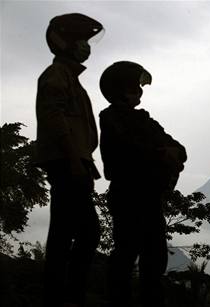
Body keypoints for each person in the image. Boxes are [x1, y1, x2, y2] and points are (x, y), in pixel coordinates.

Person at [99, 61, 187, 307]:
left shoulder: (145, 120)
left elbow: (180, 149)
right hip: (127, 195)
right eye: (134, 86)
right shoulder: (110, 118)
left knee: (155, 257)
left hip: (149, 197)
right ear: (122, 88)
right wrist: (162, 153)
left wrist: (169, 153)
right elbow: (128, 149)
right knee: (126, 253)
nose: (139, 91)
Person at [35, 13, 104, 307]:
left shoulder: (71, 78)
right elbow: (54, 116)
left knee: (71, 232)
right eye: (82, 40)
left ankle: (64, 293)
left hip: (76, 162)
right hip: (68, 164)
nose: (86, 46)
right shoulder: (57, 75)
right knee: (80, 232)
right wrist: (73, 158)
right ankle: (64, 294)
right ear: (66, 42)